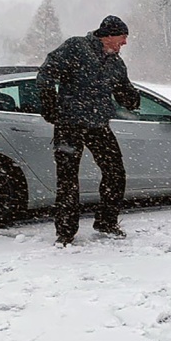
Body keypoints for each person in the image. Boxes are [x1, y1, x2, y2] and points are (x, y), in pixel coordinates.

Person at [36, 15, 140, 247]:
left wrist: (130, 98)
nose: (124, 43)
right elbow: (47, 72)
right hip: (69, 124)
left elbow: (123, 87)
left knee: (115, 172)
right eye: (123, 38)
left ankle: (106, 222)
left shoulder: (116, 63)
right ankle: (65, 232)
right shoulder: (76, 47)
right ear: (109, 35)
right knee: (68, 179)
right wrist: (49, 100)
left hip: (98, 125)